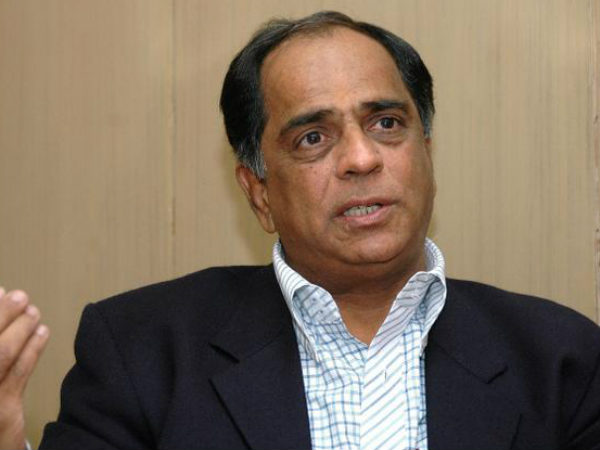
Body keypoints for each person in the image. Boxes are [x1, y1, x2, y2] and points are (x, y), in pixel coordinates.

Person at [1, 10, 600, 450]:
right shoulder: (143, 352)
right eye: (313, 137)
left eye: (387, 123)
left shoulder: (563, 359)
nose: (362, 158)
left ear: (427, 153)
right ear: (259, 193)